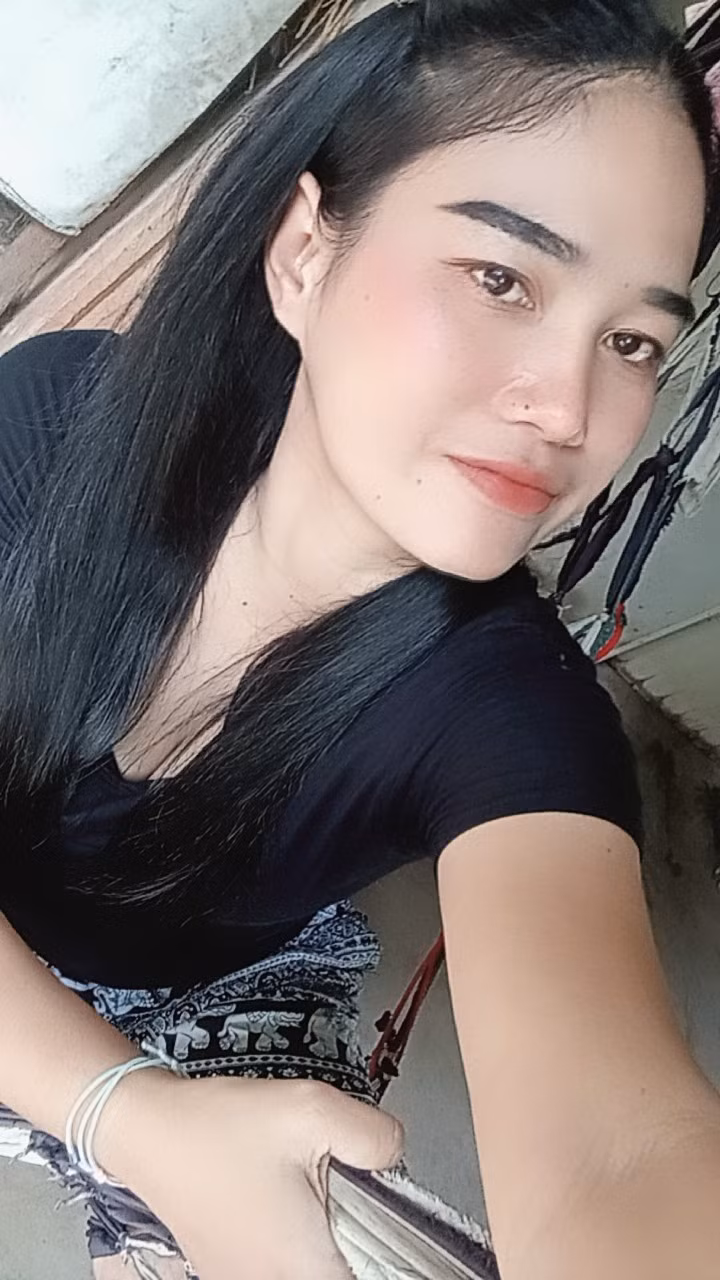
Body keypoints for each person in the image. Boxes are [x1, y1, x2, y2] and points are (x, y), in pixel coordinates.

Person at [1, 0, 719, 1276]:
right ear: (302, 252)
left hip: (200, 1002)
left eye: (632, 341)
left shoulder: (515, 713)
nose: (568, 407)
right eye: (502, 278)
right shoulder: (54, 418)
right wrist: (118, 1109)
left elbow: (618, 1153)